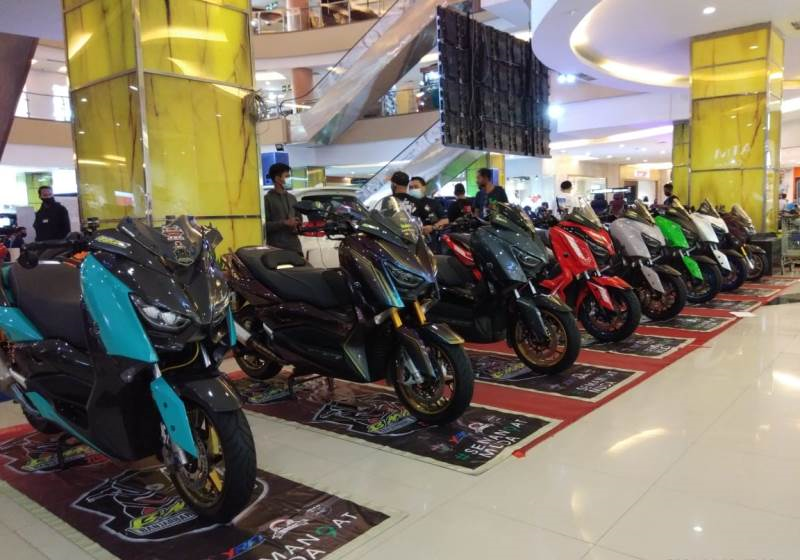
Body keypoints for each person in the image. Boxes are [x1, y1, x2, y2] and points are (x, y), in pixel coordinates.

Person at [264, 162, 302, 254]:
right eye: (287, 176)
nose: (290, 179)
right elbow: (265, 226)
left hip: (294, 246)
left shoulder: (292, 198)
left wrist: (298, 223)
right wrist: (284, 223)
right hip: (276, 248)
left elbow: (299, 217)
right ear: (277, 179)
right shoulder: (267, 199)